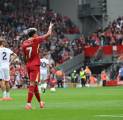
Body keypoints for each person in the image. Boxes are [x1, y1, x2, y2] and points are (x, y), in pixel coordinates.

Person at [21, 22, 54, 110]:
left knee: (35, 85)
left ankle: (40, 102)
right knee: (32, 84)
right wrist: (50, 27)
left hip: (28, 65)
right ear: (34, 34)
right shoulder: (36, 40)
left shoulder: (24, 43)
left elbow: (24, 57)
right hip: (35, 65)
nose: (37, 34)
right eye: (36, 33)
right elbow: (48, 34)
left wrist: (27, 64)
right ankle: (28, 103)